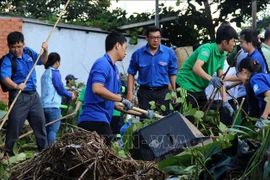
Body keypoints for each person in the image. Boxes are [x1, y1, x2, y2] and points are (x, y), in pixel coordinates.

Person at [77, 30, 154, 145]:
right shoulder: (102, 63)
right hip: (93, 120)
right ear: (117, 45)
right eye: (125, 47)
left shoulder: (114, 70)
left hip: (102, 121)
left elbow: (117, 104)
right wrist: (122, 99)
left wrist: (143, 114)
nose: (126, 52)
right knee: (110, 155)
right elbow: (97, 88)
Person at [1, 31, 48, 156]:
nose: (16, 50)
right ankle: (8, 154)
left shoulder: (28, 52)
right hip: (18, 96)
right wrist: (16, 86)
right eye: (13, 47)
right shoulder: (7, 60)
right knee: (15, 126)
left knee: (40, 123)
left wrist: (45, 51)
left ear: (23, 44)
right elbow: (4, 77)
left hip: (34, 96)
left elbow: (42, 61)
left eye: (19, 46)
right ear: (9, 46)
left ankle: (43, 153)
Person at [176, 25, 238, 116]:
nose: (234, 44)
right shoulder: (207, 49)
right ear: (225, 42)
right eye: (233, 41)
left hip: (199, 88)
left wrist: (225, 102)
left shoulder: (222, 55)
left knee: (204, 115)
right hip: (185, 85)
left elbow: (221, 79)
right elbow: (196, 68)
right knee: (187, 119)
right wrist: (212, 79)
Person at [127, 25, 178, 116]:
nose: (156, 40)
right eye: (153, 38)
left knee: (164, 119)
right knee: (145, 120)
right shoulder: (138, 54)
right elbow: (131, 73)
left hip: (163, 92)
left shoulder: (168, 53)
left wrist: (174, 92)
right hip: (145, 93)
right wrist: (129, 93)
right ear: (146, 38)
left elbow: (173, 73)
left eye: (158, 37)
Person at [41, 52, 76, 144]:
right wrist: (70, 95)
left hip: (43, 106)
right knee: (53, 130)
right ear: (57, 62)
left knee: (45, 130)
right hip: (53, 106)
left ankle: (43, 151)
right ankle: (51, 152)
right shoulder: (54, 73)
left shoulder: (45, 73)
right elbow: (60, 88)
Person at [237, 57, 270, 126]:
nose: (238, 77)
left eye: (237, 74)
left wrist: (263, 119)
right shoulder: (261, 76)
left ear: (243, 71)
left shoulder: (255, 79)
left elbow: (269, 96)